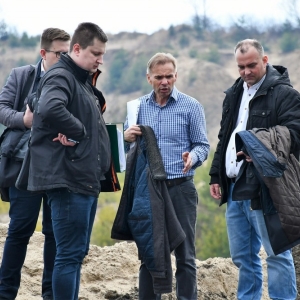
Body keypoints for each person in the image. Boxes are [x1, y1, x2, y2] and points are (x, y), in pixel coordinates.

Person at [26, 22, 113, 300]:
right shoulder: (61, 75)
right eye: (95, 53)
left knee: (75, 254)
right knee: (68, 255)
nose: (100, 60)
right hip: (68, 181)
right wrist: (78, 131)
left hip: (83, 180)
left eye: (102, 54)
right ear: (77, 48)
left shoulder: (81, 80)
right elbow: (50, 106)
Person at [209, 39, 300, 299]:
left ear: (265, 60)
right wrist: (216, 175)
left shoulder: (285, 94)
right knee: (242, 257)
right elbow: (224, 137)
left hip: (266, 187)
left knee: (276, 253)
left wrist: (260, 146)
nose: (246, 72)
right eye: (241, 67)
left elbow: (295, 134)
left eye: (251, 65)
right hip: (235, 185)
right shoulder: (234, 93)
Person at [124, 52, 210, 299]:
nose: (165, 82)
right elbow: (125, 146)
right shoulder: (136, 107)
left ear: (176, 76)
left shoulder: (191, 106)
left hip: (181, 187)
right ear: (149, 77)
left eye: (169, 76)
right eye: (159, 77)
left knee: (185, 256)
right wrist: (125, 137)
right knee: (149, 254)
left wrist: (193, 158)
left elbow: (203, 145)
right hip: (148, 191)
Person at [0, 28, 70, 300]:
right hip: (23, 168)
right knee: (19, 231)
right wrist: (24, 120)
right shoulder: (21, 75)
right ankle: (5, 294)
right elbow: (2, 108)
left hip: (59, 169)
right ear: (44, 53)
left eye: (68, 53)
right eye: (59, 54)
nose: (65, 59)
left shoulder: (74, 79)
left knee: (54, 234)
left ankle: (50, 295)